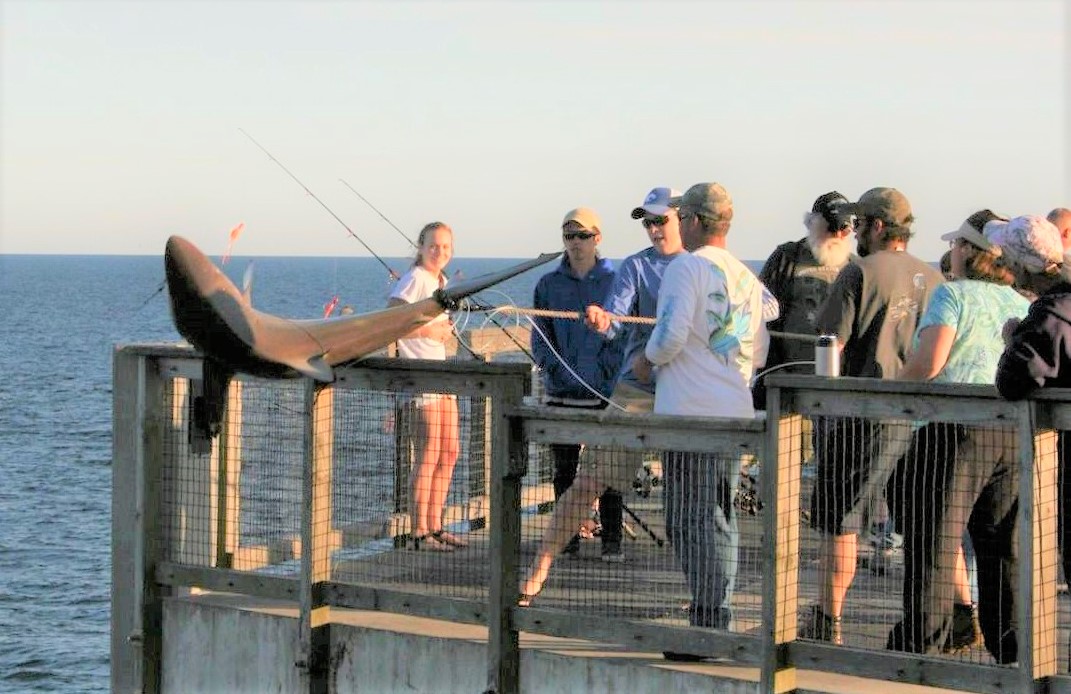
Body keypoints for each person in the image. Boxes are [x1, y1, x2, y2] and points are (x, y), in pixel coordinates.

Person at [802, 187, 945, 645]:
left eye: (860, 222)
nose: (853, 230)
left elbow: (829, 343)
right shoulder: (934, 278)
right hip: (921, 418)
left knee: (839, 523)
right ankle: (949, 617)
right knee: (923, 525)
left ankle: (828, 620)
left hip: (860, 417)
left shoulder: (858, 271)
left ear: (878, 226)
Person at [887, 209, 1029, 661]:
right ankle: (1011, 650)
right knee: (1002, 547)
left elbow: (929, 363)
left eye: (956, 244)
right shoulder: (1020, 302)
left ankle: (922, 649)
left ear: (969, 251)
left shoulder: (952, 295)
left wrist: (890, 392)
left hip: (950, 431)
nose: (951, 252)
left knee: (934, 541)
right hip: (1007, 430)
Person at [638, 182, 771, 659]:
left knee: (690, 519)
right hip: (733, 409)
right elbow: (759, 346)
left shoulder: (685, 267)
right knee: (719, 515)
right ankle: (715, 614)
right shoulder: (745, 276)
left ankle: (709, 626)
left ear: (692, 219)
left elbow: (670, 335)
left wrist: (647, 361)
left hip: (691, 414)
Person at [529, 208, 624, 561]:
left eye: (583, 235)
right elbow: (540, 337)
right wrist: (554, 370)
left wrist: (604, 373)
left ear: (597, 237)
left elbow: (625, 334)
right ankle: (566, 539)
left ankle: (612, 541)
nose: (576, 243)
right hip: (562, 392)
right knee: (564, 471)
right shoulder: (548, 285)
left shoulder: (616, 279)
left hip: (604, 392)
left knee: (610, 470)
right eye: (569, 236)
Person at [388, 222, 466, 552]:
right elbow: (391, 320)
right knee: (429, 453)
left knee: (450, 451)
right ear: (420, 246)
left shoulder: (440, 281)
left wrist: (441, 330)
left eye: (446, 247)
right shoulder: (416, 278)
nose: (440, 252)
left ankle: (436, 525)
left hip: (439, 372)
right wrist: (426, 334)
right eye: (434, 246)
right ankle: (420, 531)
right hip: (420, 375)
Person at [754, 191, 855, 408]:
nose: (837, 235)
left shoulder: (855, 268)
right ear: (812, 223)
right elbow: (763, 312)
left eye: (844, 229)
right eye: (831, 226)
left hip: (837, 387)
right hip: (787, 382)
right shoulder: (787, 257)